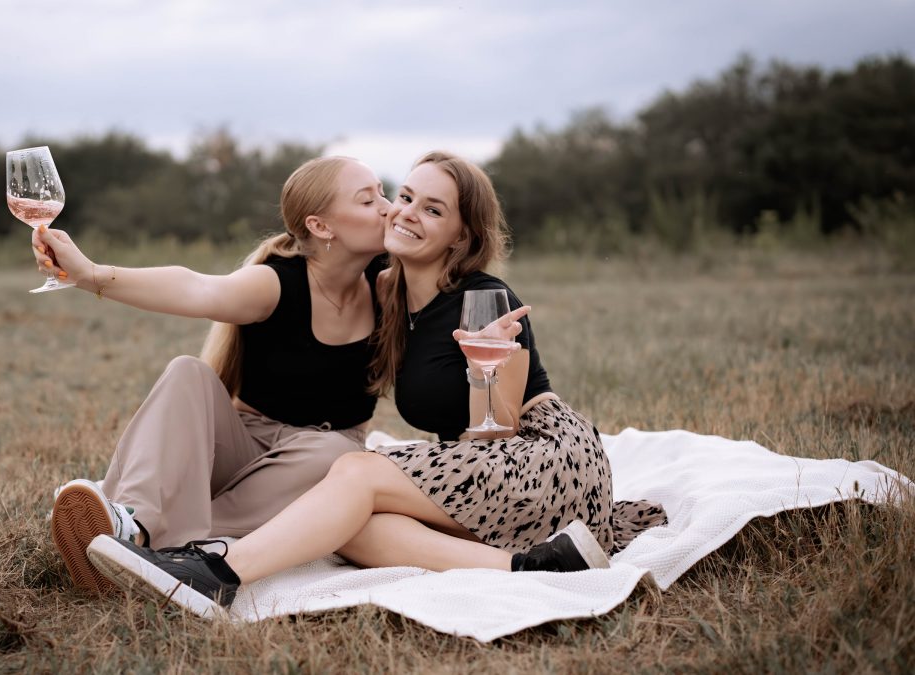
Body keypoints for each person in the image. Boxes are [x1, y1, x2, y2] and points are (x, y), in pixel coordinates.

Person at [85, 151, 667, 615]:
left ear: (460, 236)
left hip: (545, 457)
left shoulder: (482, 300)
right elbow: (200, 287)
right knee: (346, 525)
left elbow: (498, 434)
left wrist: (485, 369)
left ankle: (214, 573)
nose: (402, 212)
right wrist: (91, 275)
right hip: (492, 481)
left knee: (355, 470)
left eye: (432, 210)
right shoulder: (396, 296)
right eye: (404, 196)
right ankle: (539, 566)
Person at [36, 156, 391, 594]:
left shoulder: (390, 283)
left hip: (311, 465)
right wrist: (89, 274)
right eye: (368, 200)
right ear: (321, 226)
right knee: (187, 372)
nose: (388, 207)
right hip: (242, 445)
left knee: (337, 454)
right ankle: (134, 522)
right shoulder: (276, 282)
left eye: (383, 193)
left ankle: (147, 544)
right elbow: (195, 288)